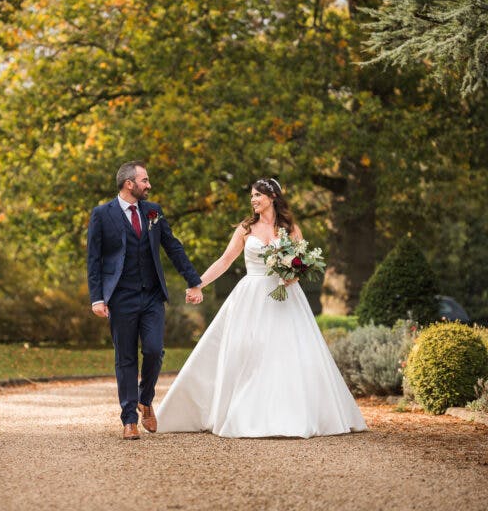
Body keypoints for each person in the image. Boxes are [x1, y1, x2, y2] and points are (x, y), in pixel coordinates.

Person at [157, 178, 367, 438]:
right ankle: (245, 414)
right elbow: (224, 261)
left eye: (258, 195)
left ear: (273, 197)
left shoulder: (290, 228)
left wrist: (294, 275)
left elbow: (299, 262)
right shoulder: (246, 229)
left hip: (286, 297)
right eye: (252, 196)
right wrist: (198, 284)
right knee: (249, 351)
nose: (254, 200)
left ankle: (290, 415)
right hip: (251, 296)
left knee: (286, 353)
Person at [87, 160, 204, 440]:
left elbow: (173, 247)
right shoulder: (102, 215)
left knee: (154, 350)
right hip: (120, 296)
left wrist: (194, 280)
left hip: (151, 295)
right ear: (129, 184)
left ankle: (145, 397)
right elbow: (93, 259)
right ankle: (129, 419)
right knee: (125, 357)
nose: (149, 185)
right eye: (145, 181)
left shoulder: (153, 212)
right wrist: (97, 298)